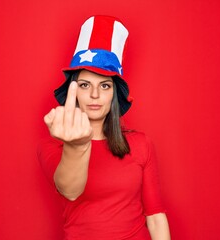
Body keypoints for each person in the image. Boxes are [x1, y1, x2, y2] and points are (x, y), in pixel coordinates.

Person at [39, 15, 171, 240]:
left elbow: (156, 216)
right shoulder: (52, 147)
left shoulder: (141, 144)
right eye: (84, 85)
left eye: (105, 85)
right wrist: (78, 145)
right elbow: (70, 191)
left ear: (114, 94)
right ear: (74, 91)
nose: (94, 95)